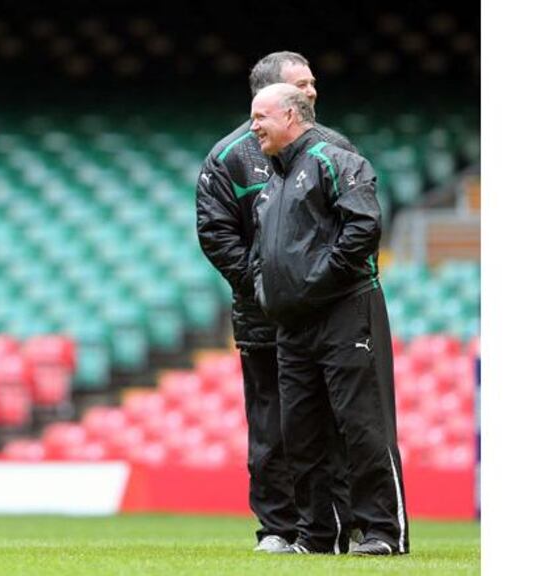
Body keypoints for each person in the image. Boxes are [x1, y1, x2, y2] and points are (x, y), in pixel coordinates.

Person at [196, 51, 357, 553]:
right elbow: (216, 235)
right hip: (263, 320)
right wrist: (269, 291)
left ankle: (340, 526)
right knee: (271, 430)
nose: (312, 91)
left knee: (336, 422)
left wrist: (314, 288)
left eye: (312, 83)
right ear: (269, 96)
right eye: (301, 84)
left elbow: (353, 224)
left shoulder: (334, 149)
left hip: (326, 316)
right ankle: (278, 529)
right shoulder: (227, 158)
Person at [248, 83, 408, 555]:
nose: (253, 126)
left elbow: (364, 226)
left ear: (293, 116)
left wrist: (319, 281)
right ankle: (321, 536)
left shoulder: (334, 160)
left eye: (261, 116)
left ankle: (383, 532)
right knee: (300, 430)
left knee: (362, 424)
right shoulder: (272, 180)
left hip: (344, 311)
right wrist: (266, 288)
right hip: (292, 323)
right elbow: (262, 251)